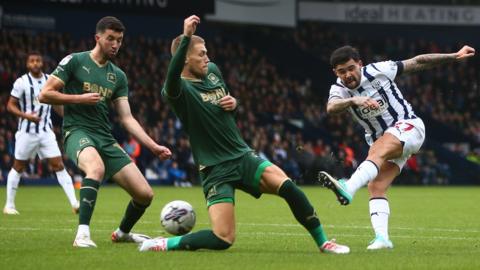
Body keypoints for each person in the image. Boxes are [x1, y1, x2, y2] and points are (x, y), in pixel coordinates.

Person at [139, 15, 349, 254]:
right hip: (215, 168)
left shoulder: (213, 72)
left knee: (289, 188)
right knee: (223, 238)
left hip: (242, 156)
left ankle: (323, 242)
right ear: (184, 58)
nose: (207, 58)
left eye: (207, 53)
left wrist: (234, 103)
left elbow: (225, 105)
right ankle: (163, 243)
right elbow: (172, 76)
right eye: (201, 54)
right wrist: (186, 36)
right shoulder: (177, 90)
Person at [319, 45, 475, 250]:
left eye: (350, 68)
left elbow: (418, 62)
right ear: (335, 73)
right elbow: (331, 108)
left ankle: (348, 187)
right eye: (341, 71)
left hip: (409, 127)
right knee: (376, 186)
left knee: (378, 149)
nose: (347, 75)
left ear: (359, 64)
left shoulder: (379, 70)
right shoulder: (339, 89)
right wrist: (354, 99)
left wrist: (453, 56)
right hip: (383, 141)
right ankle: (382, 239)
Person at [39, 16, 172, 248]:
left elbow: (127, 118)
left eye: (119, 40)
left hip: (105, 138)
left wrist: (153, 145)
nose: (115, 44)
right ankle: (82, 234)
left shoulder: (118, 76)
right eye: (110, 39)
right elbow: (45, 94)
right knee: (96, 168)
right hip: (77, 131)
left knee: (145, 195)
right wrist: (79, 99)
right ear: (97, 37)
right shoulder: (74, 61)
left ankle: (122, 233)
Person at [3, 51, 79, 215]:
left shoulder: (49, 80)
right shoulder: (21, 82)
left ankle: (74, 203)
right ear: (27, 64)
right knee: (18, 167)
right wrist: (26, 116)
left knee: (59, 165)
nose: (35, 63)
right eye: (32, 61)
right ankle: (9, 205)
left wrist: (70, 117)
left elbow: (57, 105)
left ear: (42, 63)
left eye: (38, 60)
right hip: (26, 132)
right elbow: (10, 105)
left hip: (46, 132)